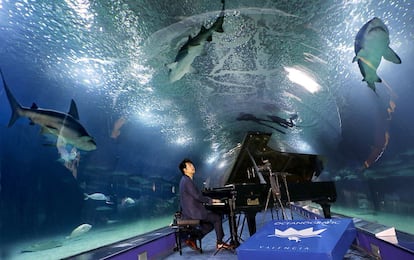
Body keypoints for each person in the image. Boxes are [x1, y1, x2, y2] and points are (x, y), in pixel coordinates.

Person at [178, 158, 233, 251]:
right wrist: (212, 201)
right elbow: (197, 196)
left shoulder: (185, 180)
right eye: (190, 166)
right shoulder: (187, 181)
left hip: (191, 211)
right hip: (193, 212)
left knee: (210, 225)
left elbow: (196, 197)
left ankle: (192, 239)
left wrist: (208, 201)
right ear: (185, 170)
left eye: (192, 165)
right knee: (217, 218)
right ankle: (220, 243)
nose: (193, 167)